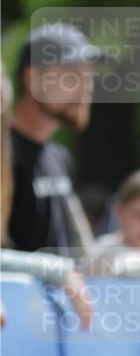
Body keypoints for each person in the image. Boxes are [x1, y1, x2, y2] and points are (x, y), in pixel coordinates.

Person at [9, 24, 102, 252]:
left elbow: (77, 249)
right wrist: (58, 273)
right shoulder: (4, 153)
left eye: (89, 76)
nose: (86, 88)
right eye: (72, 76)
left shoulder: (58, 155)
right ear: (33, 79)